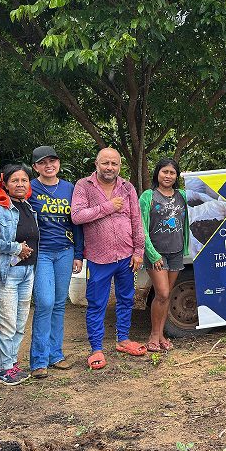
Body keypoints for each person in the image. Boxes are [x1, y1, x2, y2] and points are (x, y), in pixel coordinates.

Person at [71, 147, 145, 369]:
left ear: (119, 166)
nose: (109, 167)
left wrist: (139, 251)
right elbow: (77, 216)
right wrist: (108, 207)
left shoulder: (127, 187)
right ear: (96, 163)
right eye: (105, 163)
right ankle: (96, 349)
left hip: (126, 256)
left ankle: (123, 340)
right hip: (98, 258)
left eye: (114, 164)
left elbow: (136, 219)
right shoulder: (84, 186)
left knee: (126, 299)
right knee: (97, 304)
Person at [28, 146, 83, 375]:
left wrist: (79, 253)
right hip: (41, 252)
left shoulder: (69, 188)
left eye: (52, 161)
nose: (48, 165)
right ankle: (38, 361)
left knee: (60, 304)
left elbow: (76, 222)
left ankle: (55, 355)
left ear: (58, 163)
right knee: (45, 302)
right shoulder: (29, 188)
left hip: (65, 251)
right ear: (35, 167)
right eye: (42, 162)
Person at [0, 164, 38, 385]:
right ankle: (4, 369)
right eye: (15, 180)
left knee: (19, 322)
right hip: (6, 273)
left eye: (24, 180)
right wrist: (15, 248)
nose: (20, 184)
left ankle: (12, 364)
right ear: (4, 183)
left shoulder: (28, 207)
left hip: (27, 271)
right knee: (5, 322)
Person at [138, 157, 189, 352]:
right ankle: (153, 335)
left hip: (176, 252)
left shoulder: (183, 196)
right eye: (164, 172)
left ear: (177, 176)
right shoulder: (148, 196)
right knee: (162, 293)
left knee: (166, 296)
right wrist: (152, 254)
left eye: (172, 173)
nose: (168, 176)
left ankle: (161, 336)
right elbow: (141, 227)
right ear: (157, 173)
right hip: (156, 254)